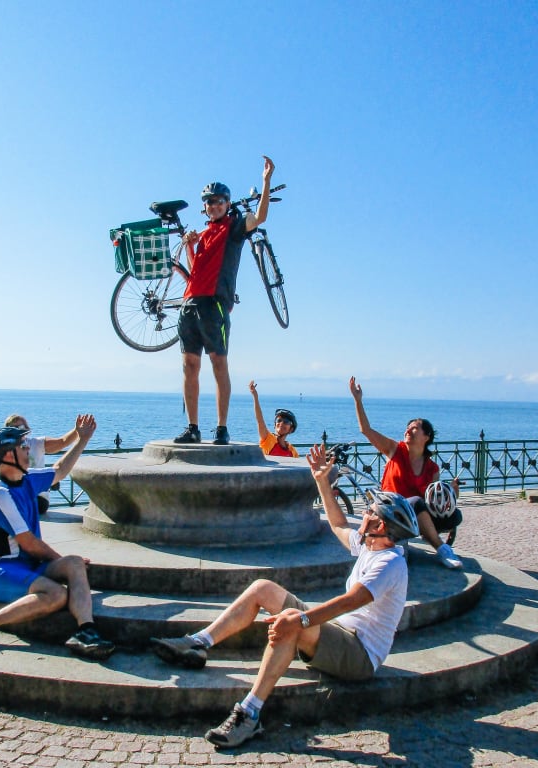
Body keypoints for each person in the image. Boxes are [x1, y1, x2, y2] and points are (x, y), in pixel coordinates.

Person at [150, 444, 419, 749]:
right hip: (340, 636)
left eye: (370, 511)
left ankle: (249, 714)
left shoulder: (391, 563)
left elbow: (350, 601)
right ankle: (199, 643)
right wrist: (320, 480)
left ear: (380, 525)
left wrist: (301, 618)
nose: (365, 513)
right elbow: (338, 524)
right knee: (263, 588)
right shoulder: (371, 546)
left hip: (359, 655)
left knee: (291, 625)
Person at [0, 415, 115, 661]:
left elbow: (60, 470)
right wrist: (59, 562)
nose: (27, 450)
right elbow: (30, 543)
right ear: (8, 456)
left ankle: (86, 631)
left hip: (28, 565)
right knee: (57, 594)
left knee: (74, 563)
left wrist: (82, 440)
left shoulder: (26, 479)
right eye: (22, 447)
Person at [173, 155, 276, 446]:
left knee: (219, 363)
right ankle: (193, 427)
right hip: (190, 303)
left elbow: (261, 216)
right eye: (209, 202)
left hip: (215, 305)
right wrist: (190, 243)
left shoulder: (233, 228)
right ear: (204, 206)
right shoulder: (203, 234)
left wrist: (266, 182)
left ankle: (221, 428)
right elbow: (195, 271)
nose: (214, 205)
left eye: (220, 201)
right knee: (189, 366)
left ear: (227, 204)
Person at [349, 376, 463, 570]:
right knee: (416, 502)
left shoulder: (432, 468)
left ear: (426, 437)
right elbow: (366, 430)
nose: (408, 430)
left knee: (454, 516)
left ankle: (435, 541)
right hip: (390, 508)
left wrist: (452, 492)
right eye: (408, 427)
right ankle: (442, 550)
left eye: (415, 428)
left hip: (412, 515)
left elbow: (434, 501)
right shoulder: (395, 450)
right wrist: (358, 400)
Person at [3, 413, 78, 516]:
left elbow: (62, 442)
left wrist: (77, 430)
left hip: (38, 497)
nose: (18, 430)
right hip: (14, 494)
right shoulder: (4, 449)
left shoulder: (36, 444)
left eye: (21, 427)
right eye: (14, 428)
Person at [247, 380, 299, 457]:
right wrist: (255, 396)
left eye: (286, 422)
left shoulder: (292, 451)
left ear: (291, 429)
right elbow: (260, 421)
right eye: (279, 420)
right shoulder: (268, 439)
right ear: (275, 425)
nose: (281, 423)